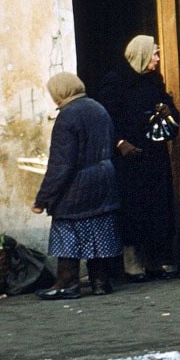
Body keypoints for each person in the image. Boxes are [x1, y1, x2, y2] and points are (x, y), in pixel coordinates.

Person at [96, 34, 180, 280]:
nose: (157, 59)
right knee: (132, 209)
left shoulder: (154, 81)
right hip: (129, 159)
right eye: (154, 54)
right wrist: (119, 143)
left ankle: (154, 261)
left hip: (154, 156)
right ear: (142, 55)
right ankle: (132, 264)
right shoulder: (116, 81)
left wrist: (168, 111)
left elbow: (169, 111)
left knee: (156, 209)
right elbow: (105, 118)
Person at [31, 72, 119, 299]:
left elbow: (61, 164)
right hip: (104, 177)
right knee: (98, 228)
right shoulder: (98, 109)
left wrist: (43, 199)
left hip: (78, 184)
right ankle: (100, 281)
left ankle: (67, 283)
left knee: (67, 230)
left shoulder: (67, 117)